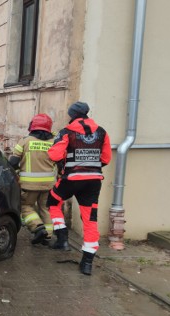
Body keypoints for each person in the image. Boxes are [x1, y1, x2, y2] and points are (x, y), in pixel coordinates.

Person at [47, 102, 111, 275]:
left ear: (72, 114)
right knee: (90, 220)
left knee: (53, 201)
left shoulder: (66, 132)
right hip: (93, 181)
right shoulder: (102, 132)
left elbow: (54, 155)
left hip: (71, 179)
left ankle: (62, 238)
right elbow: (106, 158)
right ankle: (87, 263)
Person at [9, 114, 56, 246]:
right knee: (45, 208)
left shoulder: (25, 141)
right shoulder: (53, 142)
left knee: (25, 206)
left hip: (29, 185)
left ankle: (37, 227)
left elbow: (13, 162)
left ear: (32, 126)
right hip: (48, 184)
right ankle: (48, 236)